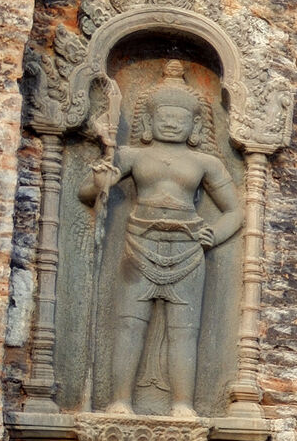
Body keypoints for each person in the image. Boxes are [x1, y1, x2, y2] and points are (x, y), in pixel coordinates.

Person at [82, 60, 242, 417]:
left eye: (180, 117)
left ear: (195, 125)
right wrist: (101, 182)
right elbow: (86, 192)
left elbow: (236, 211)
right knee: (128, 326)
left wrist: (212, 235)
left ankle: (182, 404)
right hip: (140, 244)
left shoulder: (205, 163)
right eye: (164, 116)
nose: (171, 122)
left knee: (184, 330)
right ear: (149, 122)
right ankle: (120, 401)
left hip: (188, 248)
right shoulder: (132, 156)